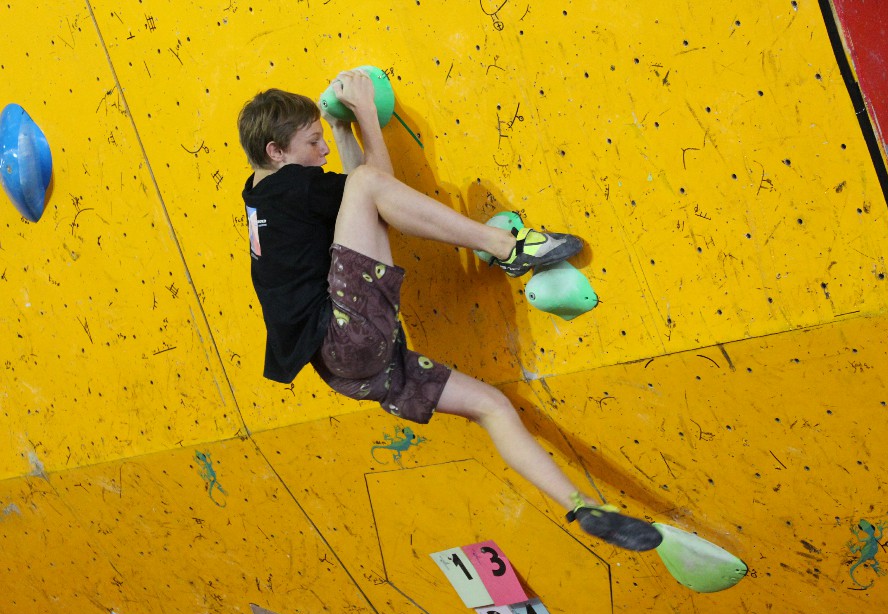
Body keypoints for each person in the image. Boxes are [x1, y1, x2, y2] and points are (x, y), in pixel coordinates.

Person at [237, 69, 662, 552]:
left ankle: (583, 506)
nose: (323, 153)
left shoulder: (262, 196)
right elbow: (376, 183)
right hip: (347, 331)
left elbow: (366, 205)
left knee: (491, 406)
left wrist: (337, 127)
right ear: (276, 151)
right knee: (367, 184)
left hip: (346, 367)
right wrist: (365, 115)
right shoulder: (297, 187)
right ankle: (509, 247)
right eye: (313, 143)